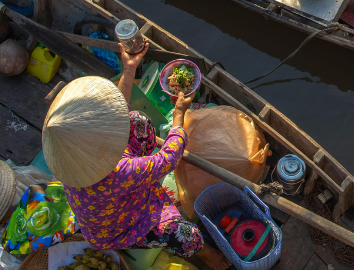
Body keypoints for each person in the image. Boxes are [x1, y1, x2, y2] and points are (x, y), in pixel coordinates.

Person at [42, 40, 231, 270]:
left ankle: (146, 174)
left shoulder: (69, 157)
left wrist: (129, 67)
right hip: (123, 225)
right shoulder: (120, 170)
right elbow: (169, 158)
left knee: (135, 121)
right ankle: (206, 255)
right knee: (185, 235)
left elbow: (119, 110)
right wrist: (179, 114)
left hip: (116, 196)